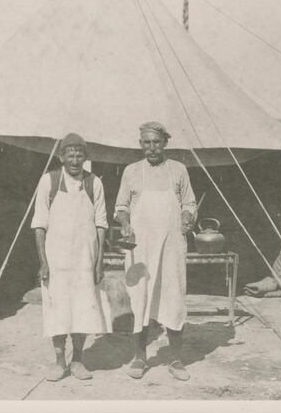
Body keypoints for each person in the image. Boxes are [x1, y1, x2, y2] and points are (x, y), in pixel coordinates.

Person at [115, 121, 197, 381]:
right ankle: (140, 357)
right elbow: (120, 206)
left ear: (165, 143)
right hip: (141, 246)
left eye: (156, 142)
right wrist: (125, 223)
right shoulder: (131, 171)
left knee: (173, 298)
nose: (151, 147)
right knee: (141, 299)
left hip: (171, 245)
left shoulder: (178, 170)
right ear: (141, 144)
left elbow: (189, 202)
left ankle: (175, 359)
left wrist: (186, 216)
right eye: (146, 143)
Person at [31, 133, 108, 381]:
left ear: (85, 157)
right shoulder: (49, 181)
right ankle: (58, 362)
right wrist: (43, 262)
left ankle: (77, 361)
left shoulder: (94, 182)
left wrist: (99, 261)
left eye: (79, 155)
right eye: (70, 155)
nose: (75, 160)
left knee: (83, 309)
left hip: (85, 260)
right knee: (58, 310)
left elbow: (101, 225)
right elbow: (39, 225)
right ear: (61, 156)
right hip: (57, 261)